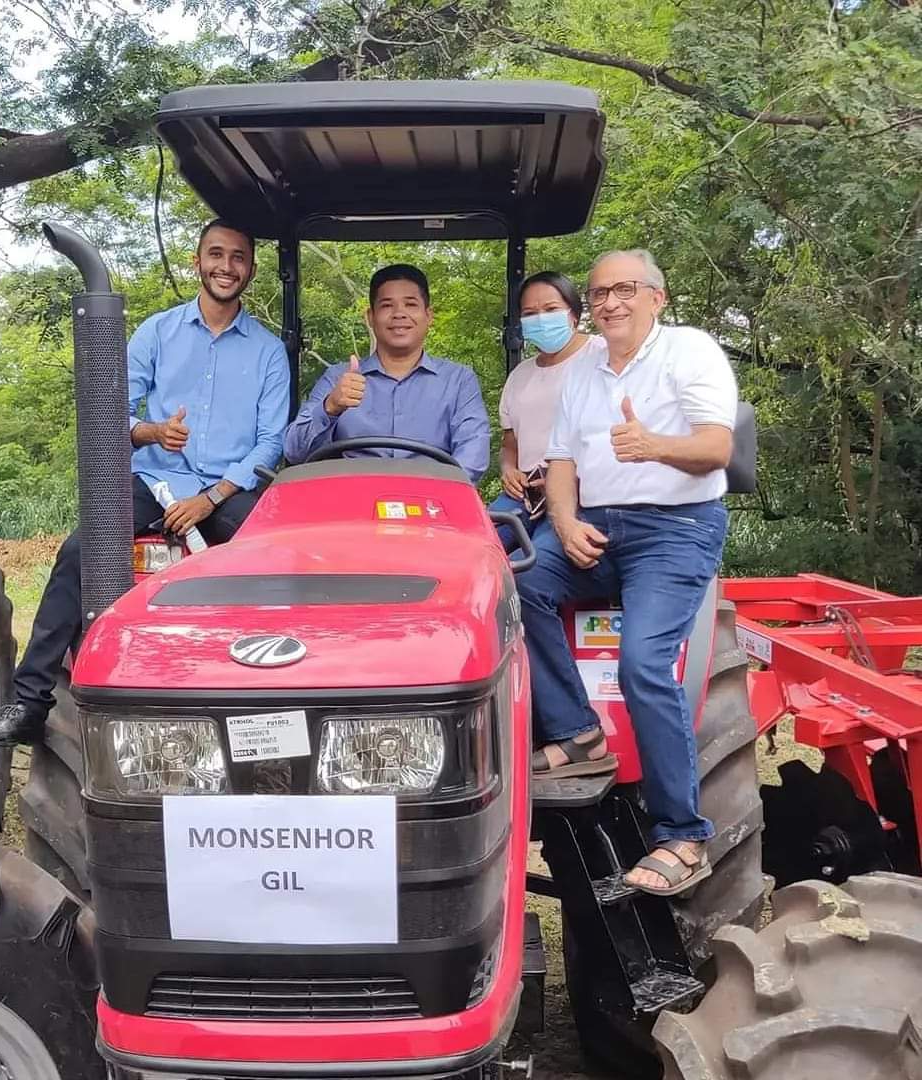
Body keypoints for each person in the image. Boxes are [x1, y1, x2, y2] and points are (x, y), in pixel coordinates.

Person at [0, 220, 289, 747]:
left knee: (266, 563)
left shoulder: (267, 351)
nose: (226, 266)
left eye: (238, 257)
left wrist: (210, 498)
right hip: (156, 479)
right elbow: (109, 410)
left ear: (250, 269)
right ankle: (29, 701)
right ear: (197, 261)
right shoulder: (157, 333)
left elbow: (270, 443)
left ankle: (262, 704)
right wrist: (151, 431)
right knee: (81, 550)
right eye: (216, 254)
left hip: (229, 491)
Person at [516, 248, 737, 898]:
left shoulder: (689, 353)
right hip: (597, 525)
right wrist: (562, 522)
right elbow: (559, 463)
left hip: (676, 529)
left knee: (643, 663)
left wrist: (655, 445)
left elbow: (716, 447)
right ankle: (577, 731)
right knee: (517, 581)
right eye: (601, 292)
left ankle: (683, 833)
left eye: (625, 290)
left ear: (656, 298)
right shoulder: (584, 374)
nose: (611, 302)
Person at [283, 264, 490, 483]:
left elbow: (472, 454)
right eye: (387, 305)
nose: (399, 314)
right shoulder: (337, 378)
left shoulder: (458, 381)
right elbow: (295, 452)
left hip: (433, 502)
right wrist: (330, 407)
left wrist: (440, 495)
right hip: (351, 504)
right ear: (370, 317)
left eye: (410, 304)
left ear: (429, 316)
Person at [490, 271, 597, 549]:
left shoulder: (600, 356)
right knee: (476, 549)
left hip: (579, 495)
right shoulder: (521, 375)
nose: (541, 319)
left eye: (550, 310)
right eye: (530, 313)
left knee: (529, 566)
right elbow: (510, 442)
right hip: (523, 495)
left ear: (573, 313)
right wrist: (509, 469)